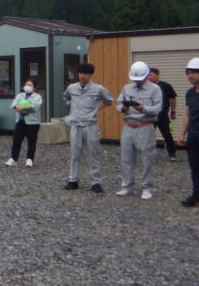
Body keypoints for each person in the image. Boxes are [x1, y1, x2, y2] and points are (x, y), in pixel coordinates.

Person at [63, 62, 113, 193]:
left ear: (90, 75)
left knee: (93, 153)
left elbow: (108, 100)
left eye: (85, 73)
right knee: (75, 154)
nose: (82, 76)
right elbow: (66, 97)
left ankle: (96, 182)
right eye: (80, 73)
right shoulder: (72, 88)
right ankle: (73, 180)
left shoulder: (98, 89)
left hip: (90, 125)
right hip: (76, 125)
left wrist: (96, 109)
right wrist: (73, 108)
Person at [115, 61, 162, 200]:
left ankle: (148, 188)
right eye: (135, 79)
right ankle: (126, 186)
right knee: (126, 158)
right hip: (129, 126)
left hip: (145, 125)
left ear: (147, 76)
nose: (137, 81)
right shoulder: (126, 88)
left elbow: (158, 108)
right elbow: (118, 104)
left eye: (139, 79)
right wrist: (123, 108)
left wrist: (144, 108)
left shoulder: (155, 89)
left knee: (147, 158)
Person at [176, 57, 199, 207]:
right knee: (195, 167)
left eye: (193, 73)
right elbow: (187, 114)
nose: (189, 76)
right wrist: (182, 134)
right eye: (187, 73)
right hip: (193, 135)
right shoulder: (190, 93)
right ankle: (196, 196)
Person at [5, 80, 42, 168]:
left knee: (31, 141)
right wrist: (17, 107)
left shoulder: (37, 96)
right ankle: (13, 158)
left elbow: (35, 106)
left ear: (34, 87)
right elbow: (13, 103)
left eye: (30, 85)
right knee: (16, 140)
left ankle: (29, 159)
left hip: (33, 122)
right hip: (20, 121)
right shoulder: (20, 95)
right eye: (26, 84)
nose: (27, 86)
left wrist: (23, 108)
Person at [147, 67, 178, 161]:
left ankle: (172, 153)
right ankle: (148, 154)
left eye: (151, 75)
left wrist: (173, 112)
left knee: (168, 134)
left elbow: (172, 98)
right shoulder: (146, 87)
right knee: (148, 135)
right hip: (150, 115)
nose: (149, 77)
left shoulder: (166, 86)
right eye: (148, 75)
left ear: (157, 75)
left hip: (163, 116)